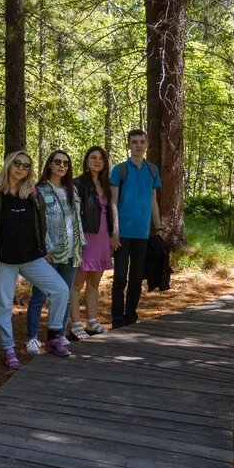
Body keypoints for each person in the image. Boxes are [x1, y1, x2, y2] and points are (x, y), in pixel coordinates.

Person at [0, 151, 72, 370]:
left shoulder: (33, 194)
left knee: (60, 289)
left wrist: (45, 247)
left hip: (31, 258)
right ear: (8, 164)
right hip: (4, 260)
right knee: (4, 306)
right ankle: (8, 350)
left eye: (26, 166)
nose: (21, 169)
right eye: (17, 164)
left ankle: (54, 337)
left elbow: (41, 223)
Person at [24, 150, 85, 353]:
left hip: (71, 251)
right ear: (49, 164)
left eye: (65, 163)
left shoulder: (72, 190)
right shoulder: (39, 190)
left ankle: (58, 334)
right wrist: (45, 248)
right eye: (57, 162)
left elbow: (77, 220)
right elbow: (38, 223)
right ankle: (32, 337)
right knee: (39, 296)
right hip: (49, 253)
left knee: (65, 294)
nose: (61, 166)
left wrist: (80, 244)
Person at [110, 130, 162, 328]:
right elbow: (113, 202)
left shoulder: (153, 170)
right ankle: (117, 319)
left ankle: (131, 316)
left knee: (137, 277)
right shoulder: (120, 170)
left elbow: (153, 201)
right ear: (128, 145)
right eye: (134, 142)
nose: (138, 145)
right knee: (120, 277)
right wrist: (115, 231)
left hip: (143, 234)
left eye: (142, 142)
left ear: (147, 144)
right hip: (122, 234)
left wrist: (158, 228)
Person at [71, 146, 113, 337]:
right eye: (93, 158)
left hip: (103, 236)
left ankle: (92, 322)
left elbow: (111, 212)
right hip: (85, 236)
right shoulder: (78, 183)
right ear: (86, 161)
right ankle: (76, 324)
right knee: (77, 283)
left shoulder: (107, 184)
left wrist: (114, 234)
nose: (97, 161)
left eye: (100, 158)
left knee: (95, 283)